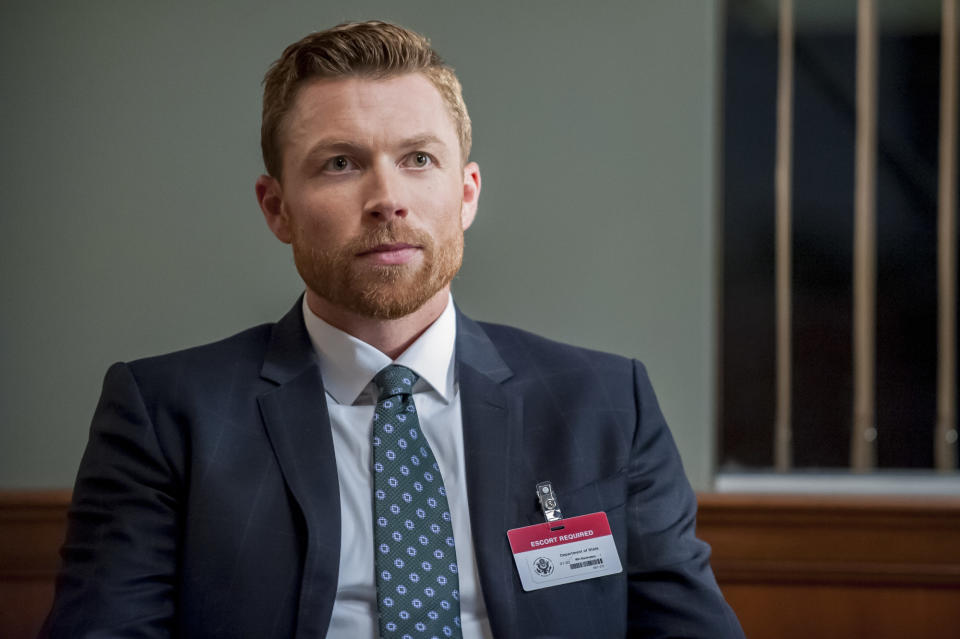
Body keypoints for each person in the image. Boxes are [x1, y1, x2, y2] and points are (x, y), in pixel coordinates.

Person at [41, 21, 744, 639]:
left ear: (466, 193)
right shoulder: (165, 415)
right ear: (276, 207)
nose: (387, 200)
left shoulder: (606, 405)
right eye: (341, 163)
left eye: (418, 159)